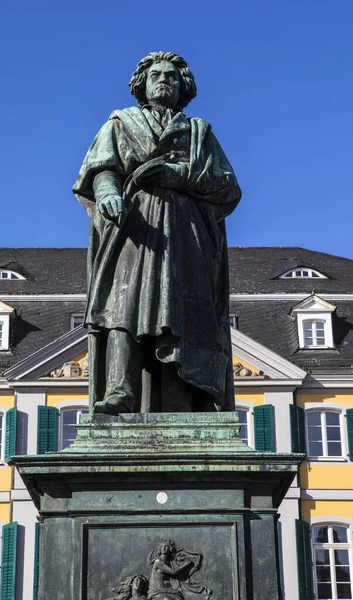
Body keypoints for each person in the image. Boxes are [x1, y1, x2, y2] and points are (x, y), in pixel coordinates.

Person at [73, 51, 241, 415]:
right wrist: (107, 194)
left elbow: (228, 187)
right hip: (134, 229)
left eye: (171, 75)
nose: (163, 79)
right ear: (142, 84)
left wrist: (177, 175)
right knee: (122, 306)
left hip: (186, 237)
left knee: (183, 312)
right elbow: (102, 169)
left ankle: (182, 399)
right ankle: (121, 391)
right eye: (155, 75)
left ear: (183, 86)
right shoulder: (120, 124)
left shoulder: (200, 132)